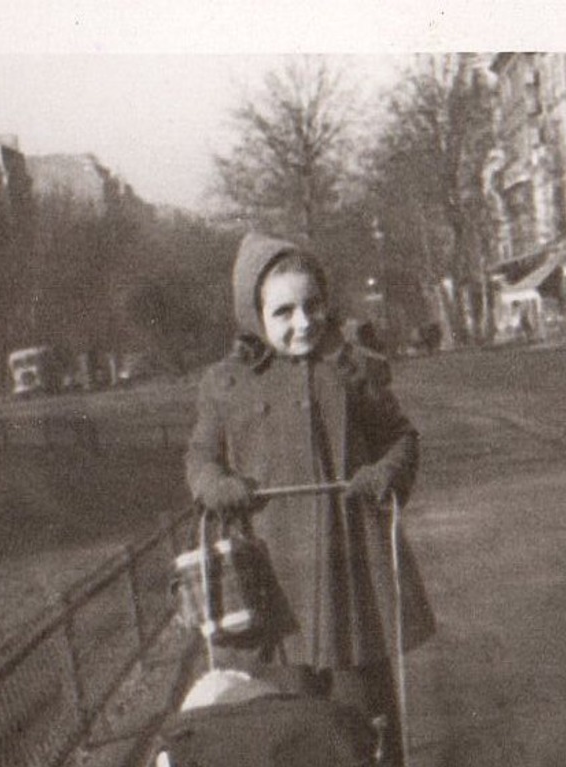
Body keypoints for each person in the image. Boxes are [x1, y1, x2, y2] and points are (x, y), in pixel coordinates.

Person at [186, 230, 435, 733]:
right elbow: (200, 457)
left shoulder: (349, 368)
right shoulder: (226, 383)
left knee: (365, 713)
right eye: (283, 313)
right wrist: (217, 486)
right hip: (271, 576)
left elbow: (399, 438)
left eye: (312, 305)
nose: (303, 323)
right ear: (253, 314)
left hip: (349, 568)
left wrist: (383, 472)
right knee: (290, 716)